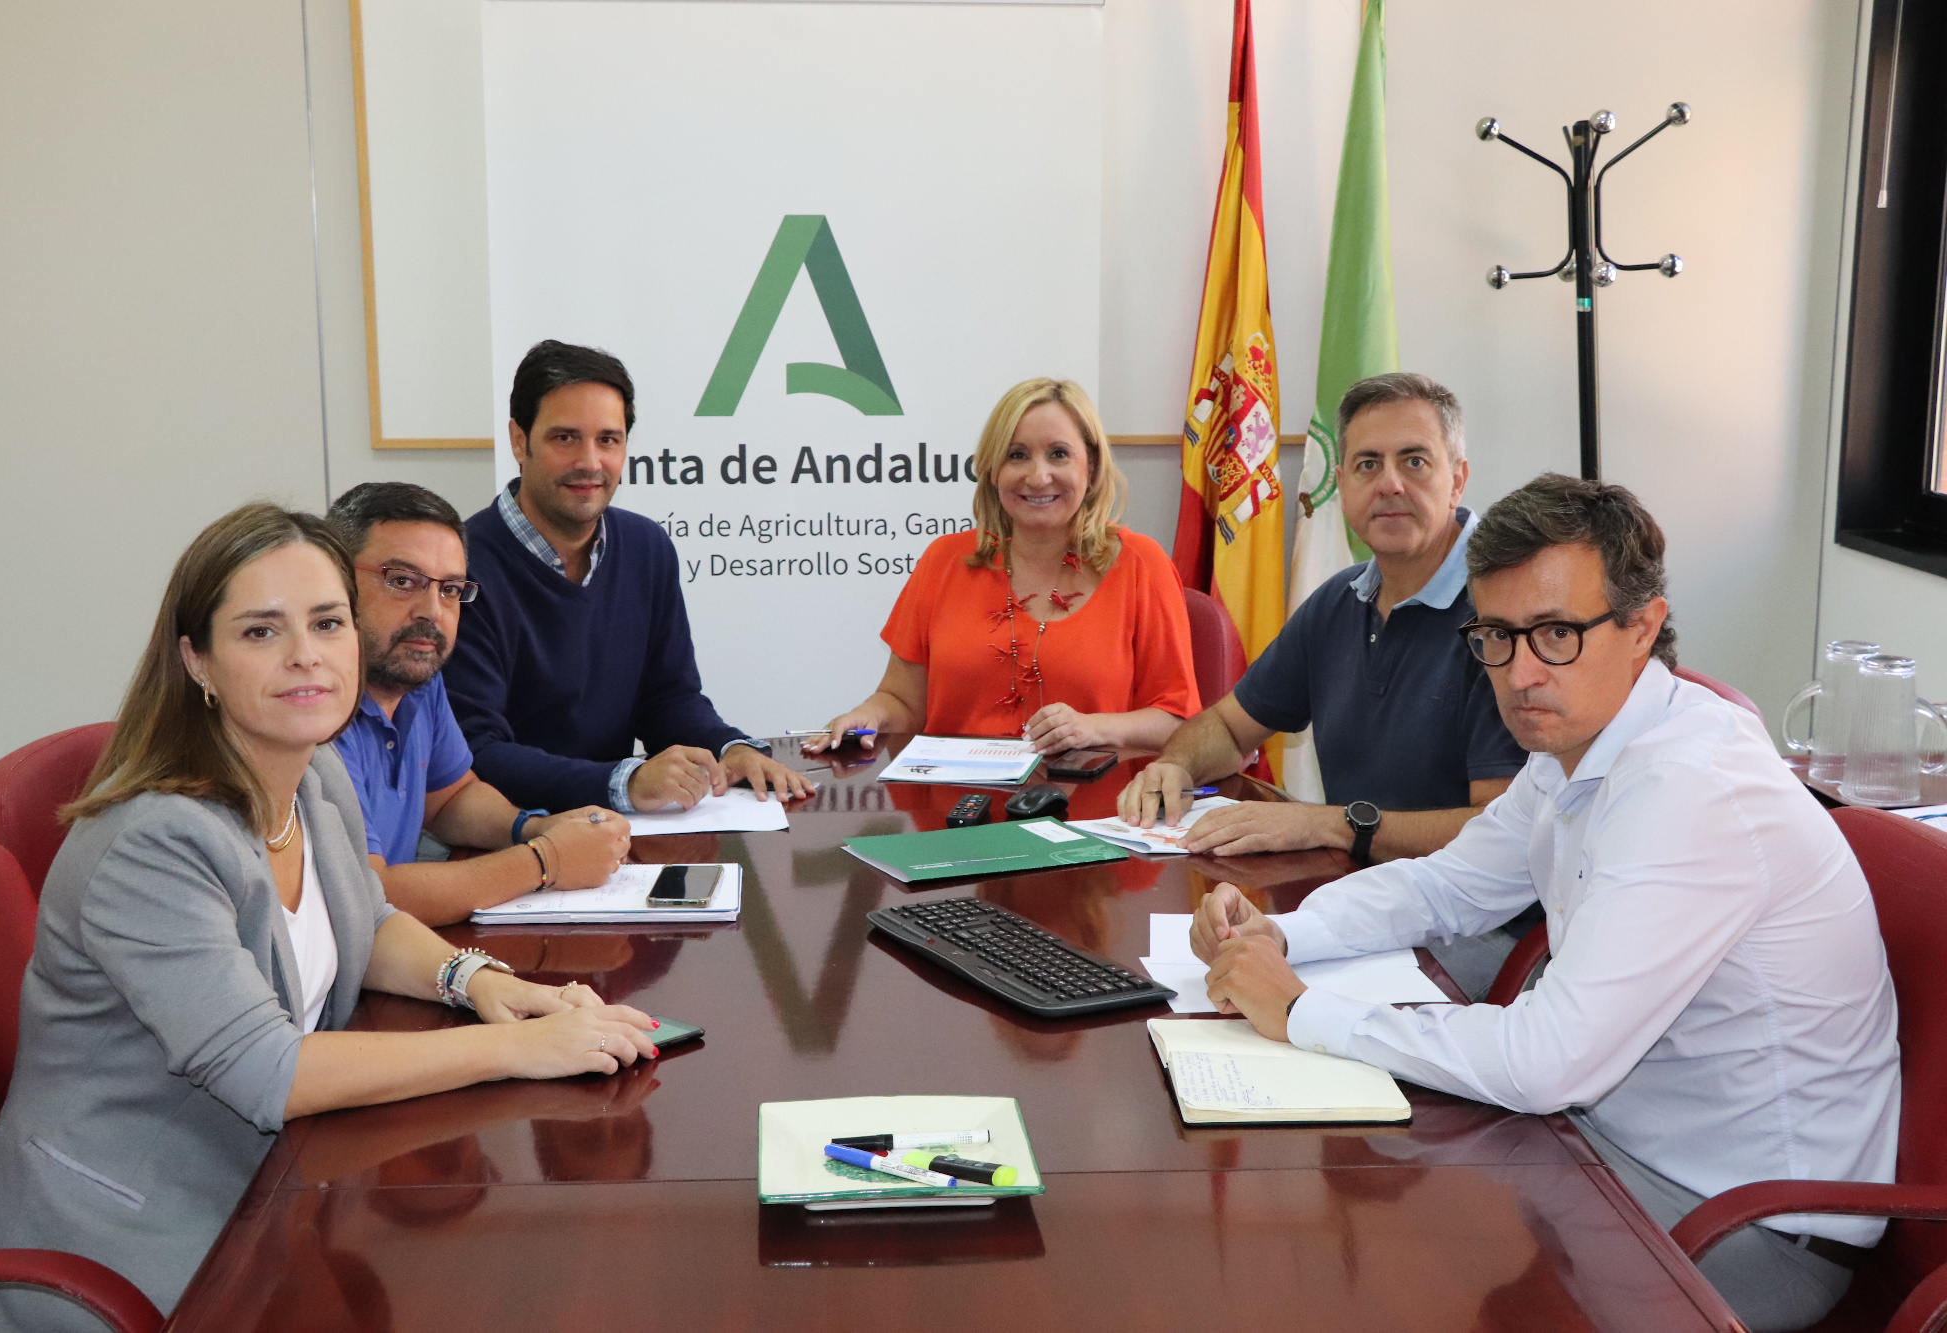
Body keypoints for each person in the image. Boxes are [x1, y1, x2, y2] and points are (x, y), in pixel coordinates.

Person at [1194, 474, 1898, 1333]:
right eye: (1497, 634)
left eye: (1557, 632)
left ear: (1642, 627)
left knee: (1390, 1268)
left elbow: (1545, 1060)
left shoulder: (1689, 787)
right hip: (1615, 1146)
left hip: (1750, 1224)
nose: (1521, 673)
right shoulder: (1578, 740)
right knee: (1365, 1221)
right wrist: (1283, 934)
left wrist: (1300, 1009)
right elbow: (1448, 883)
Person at [0, 504, 664, 1333]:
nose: (306, 656)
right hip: (132, 1245)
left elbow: (367, 920)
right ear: (198, 661)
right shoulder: (153, 840)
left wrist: (477, 980)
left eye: (327, 623)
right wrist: (517, 1050)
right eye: (261, 632)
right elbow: (267, 1069)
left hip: (276, 1194)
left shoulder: (313, 772)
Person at [1120, 372, 1526, 865]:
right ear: (1342, 480)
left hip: (1476, 922)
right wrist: (1176, 765)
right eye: (1367, 464)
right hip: (1357, 892)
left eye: (1414, 461)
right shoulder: (1338, 600)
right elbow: (1229, 730)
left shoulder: (1508, 612)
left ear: (1457, 479)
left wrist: (1325, 823)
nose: (1390, 484)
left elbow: (1501, 832)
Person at [446, 340, 813, 813]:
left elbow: (668, 699)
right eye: (565, 438)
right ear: (520, 440)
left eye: (608, 440)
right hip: (506, 835)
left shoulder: (647, 549)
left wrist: (730, 748)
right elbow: (473, 752)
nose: (590, 462)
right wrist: (625, 781)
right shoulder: (460, 568)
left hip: (616, 832)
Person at [810, 377, 1200, 755]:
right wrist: (867, 715)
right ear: (994, 470)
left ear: (1092, 466)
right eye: (1017, 455)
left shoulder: (1141, 564)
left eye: (1059, 454)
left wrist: (1092, 728)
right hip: (956, 811)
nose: (1038, 475)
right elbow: (902, 702)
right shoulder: (944, 560)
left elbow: (1178, 722)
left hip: (1090, 810)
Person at [324, 482, 631, 926]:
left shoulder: (417, 678)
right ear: (335, 580)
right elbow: (371, 897)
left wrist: (534, 828)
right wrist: (546, 860)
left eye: (450, 589)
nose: (432, 611)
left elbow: (451, 798)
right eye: (403, 581)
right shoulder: (314, 712)